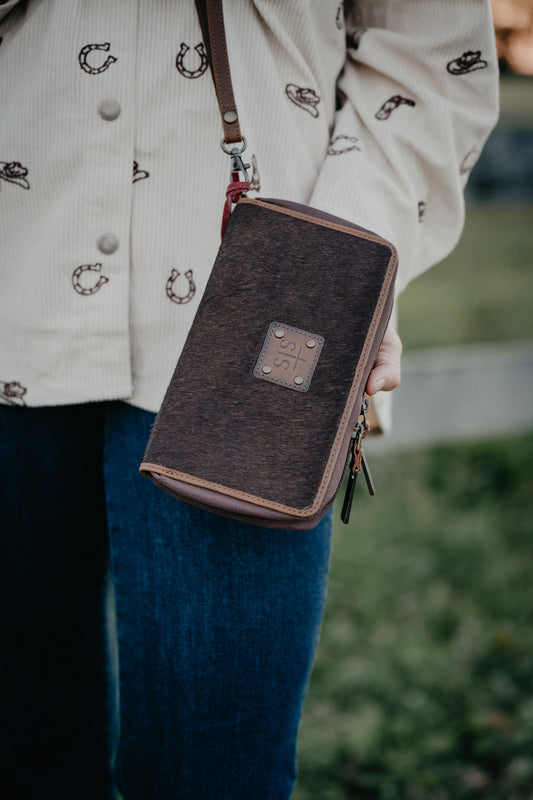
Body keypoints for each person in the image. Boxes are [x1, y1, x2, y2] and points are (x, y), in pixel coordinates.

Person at [0, 1, 498, 798]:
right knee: (20, 749)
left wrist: (332, 280)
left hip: (250, 336)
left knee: (215, 774)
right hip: (10, 293)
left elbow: (430, 55)